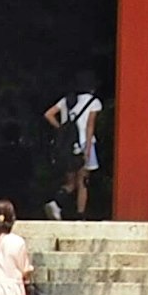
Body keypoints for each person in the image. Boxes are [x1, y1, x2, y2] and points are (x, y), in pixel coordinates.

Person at [45, 86, 106, 219]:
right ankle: (80, 215)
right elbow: (90, 127)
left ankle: (56, 202)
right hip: (84, 143)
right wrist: (88, 150)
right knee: (83, 182)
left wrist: (62, 129)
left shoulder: (67, 100)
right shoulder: (93, 102)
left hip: (68, 146)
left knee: (71, 181)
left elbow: (48, 114)